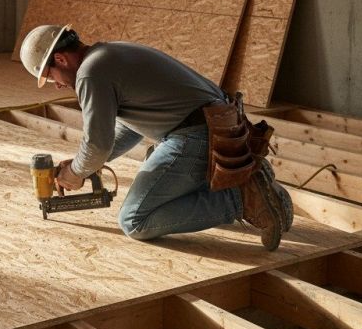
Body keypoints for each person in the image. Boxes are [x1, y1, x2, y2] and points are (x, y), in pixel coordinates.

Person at [19, 24, 293, 250]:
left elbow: (97, 143)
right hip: (222, 127)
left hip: (197, 135)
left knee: (134, 220)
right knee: (154, 163)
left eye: (50, 75)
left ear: (60, 59)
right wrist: (87, 164)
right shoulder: (108, 54)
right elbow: (130, 128)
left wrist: (78, 171)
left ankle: (241, 198)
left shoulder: (90, 74)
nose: (56, 84)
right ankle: (257, 184)